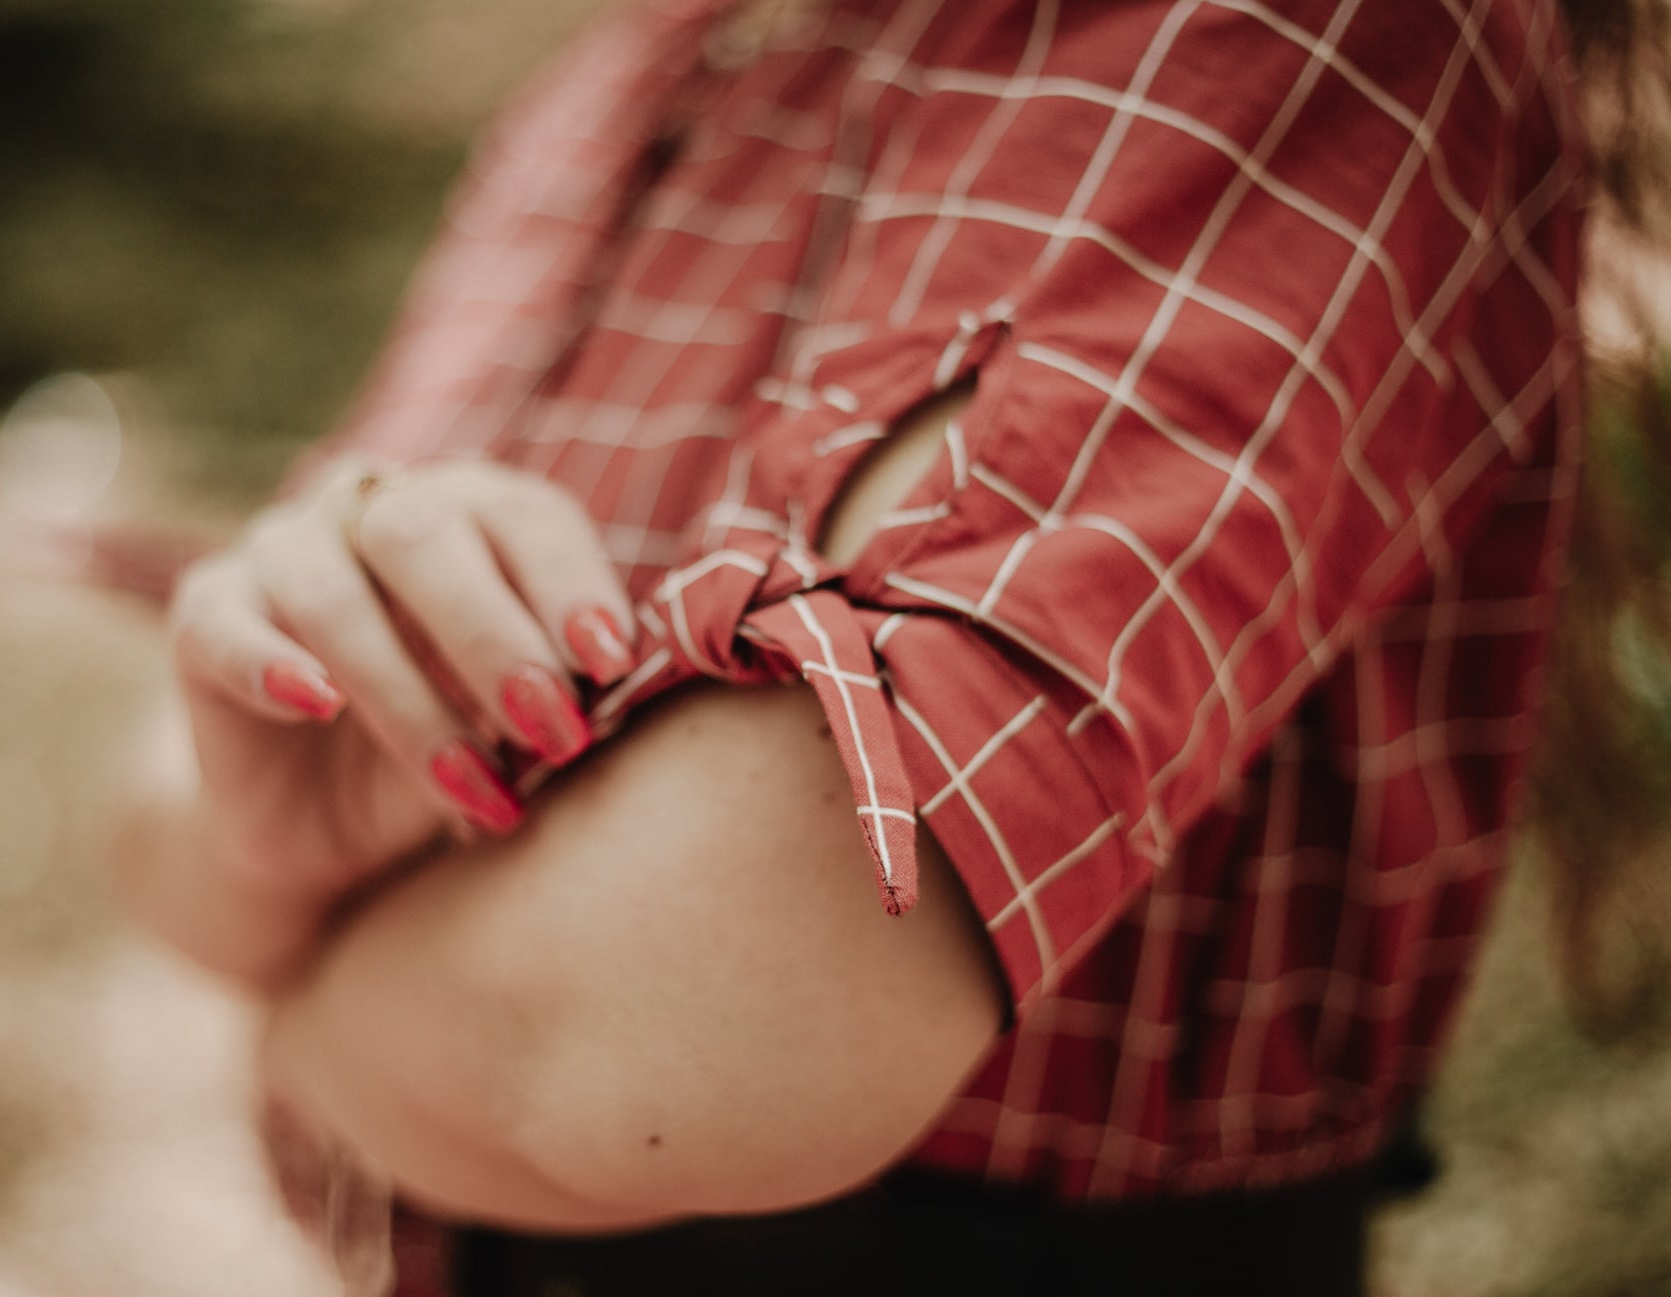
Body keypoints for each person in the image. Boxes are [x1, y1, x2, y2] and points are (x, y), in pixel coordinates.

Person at [114, 0, 1593, 1290]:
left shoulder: (1264, 35)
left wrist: (286, 981)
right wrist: (269, 827)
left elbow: (676, 1040)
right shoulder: (641, 64)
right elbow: (167, 797)